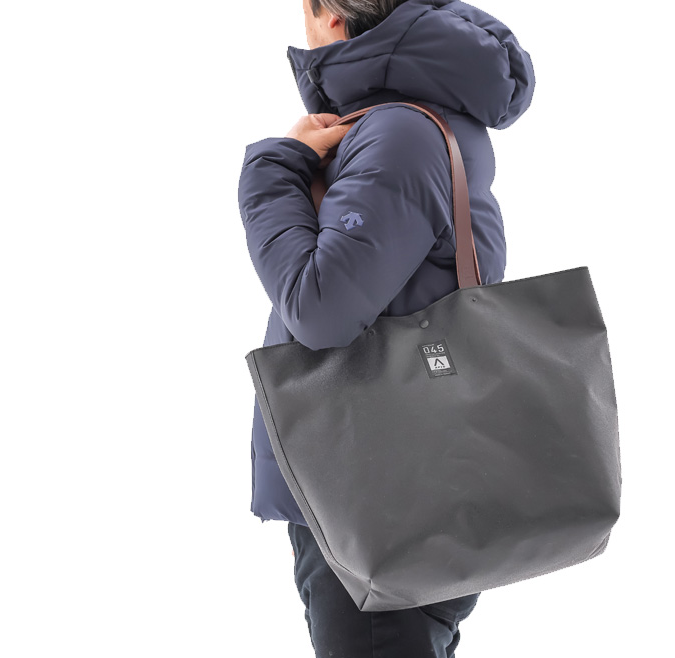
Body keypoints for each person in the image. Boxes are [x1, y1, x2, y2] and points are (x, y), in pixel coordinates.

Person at [237, 0, 535, 655]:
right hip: (396, 490)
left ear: (330, 15)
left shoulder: (399, 133)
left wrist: (274, 169)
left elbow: (319, 308)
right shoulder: (413, 123)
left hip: (375, 501)